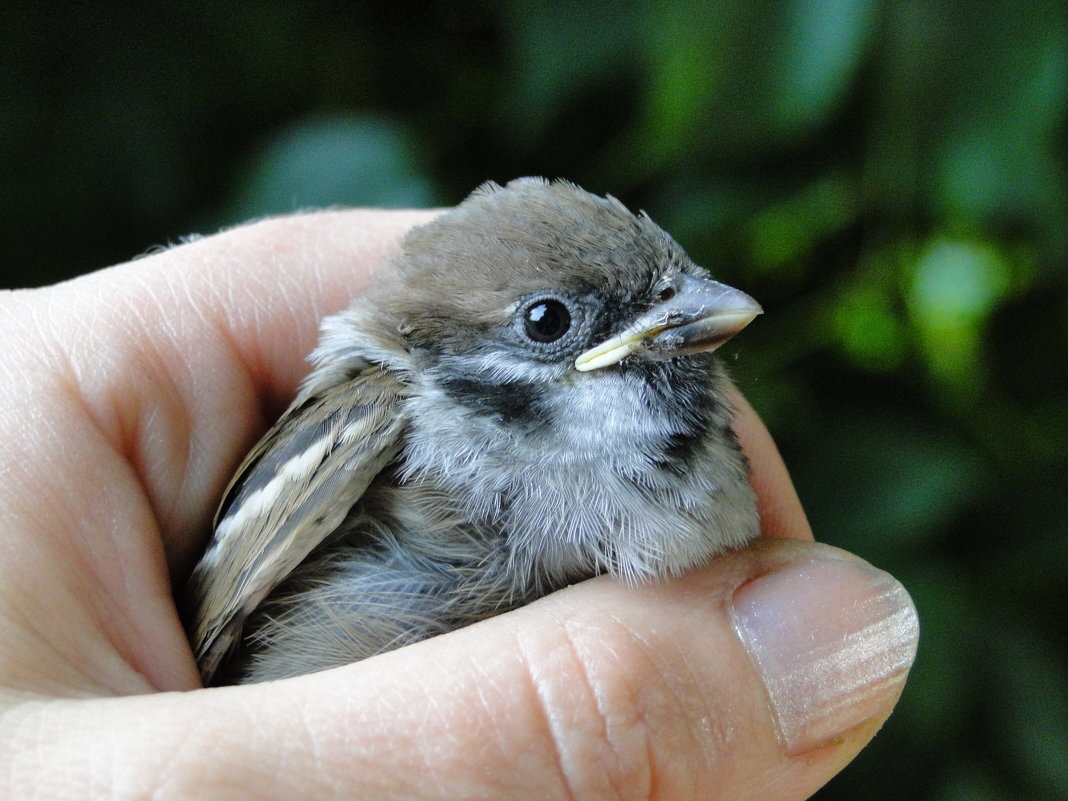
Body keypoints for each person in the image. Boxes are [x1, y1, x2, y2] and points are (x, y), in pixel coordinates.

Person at [0, 209, 918, 800]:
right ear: (438, 352)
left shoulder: (709, 448)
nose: (694, 325)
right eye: (551, 323)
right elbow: (215, 645)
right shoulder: (374, 421)